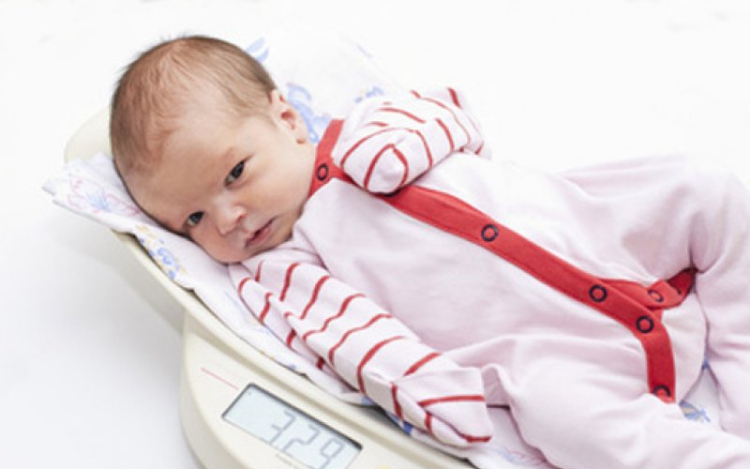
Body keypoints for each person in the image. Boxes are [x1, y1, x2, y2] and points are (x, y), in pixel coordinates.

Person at [110, 35, 750, 469]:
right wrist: (430, 392)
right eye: (193, 219)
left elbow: (455, 115)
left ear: (286, 119)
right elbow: (352, 337)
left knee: (704, 189)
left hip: (598, 233)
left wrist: (398, 142)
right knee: (570, 425)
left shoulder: (368, 126)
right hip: (549, 357)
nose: (229, 218)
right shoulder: (280, 271)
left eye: (235, 174)